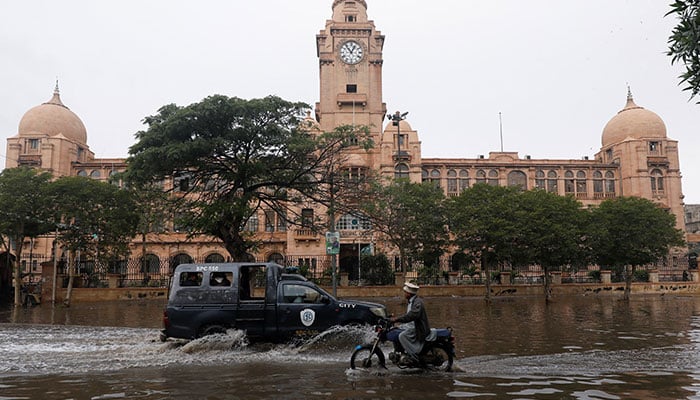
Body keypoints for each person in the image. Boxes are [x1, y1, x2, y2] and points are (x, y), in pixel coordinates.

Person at [390, 282, 430, 364]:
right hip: (411, 326)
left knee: (402, 336)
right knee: (395, 331)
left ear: (409, 293)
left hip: (418, 328)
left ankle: (413, 356)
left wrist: (397, 319)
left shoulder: (417, 302)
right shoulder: (411, 301)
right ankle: (401, 352)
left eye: (405, 292)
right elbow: (408, 317)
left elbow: (412, 316)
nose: (404, 294)